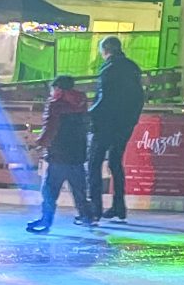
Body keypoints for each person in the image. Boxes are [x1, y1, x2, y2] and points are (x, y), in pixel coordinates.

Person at [84, 36, 146, 225]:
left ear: (106, 50)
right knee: (115, 162)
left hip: (105, 124)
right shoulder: (132, 68)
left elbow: (104, 99)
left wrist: (89, 116)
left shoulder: (109, 69)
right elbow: (138, 97)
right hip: (125, 124)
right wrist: (131, 119)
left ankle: (95, 208)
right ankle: (119, 206)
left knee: (94, 163)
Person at [25, 76, 91, 234]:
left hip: (59, 155)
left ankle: (46, 221)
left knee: (49, 190)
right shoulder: (81, 102)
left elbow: (50, 128)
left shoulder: (55, 105)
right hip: (77, 154)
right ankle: (86, 217)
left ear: (58, 89)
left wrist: (39, 144)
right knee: (79, 189)